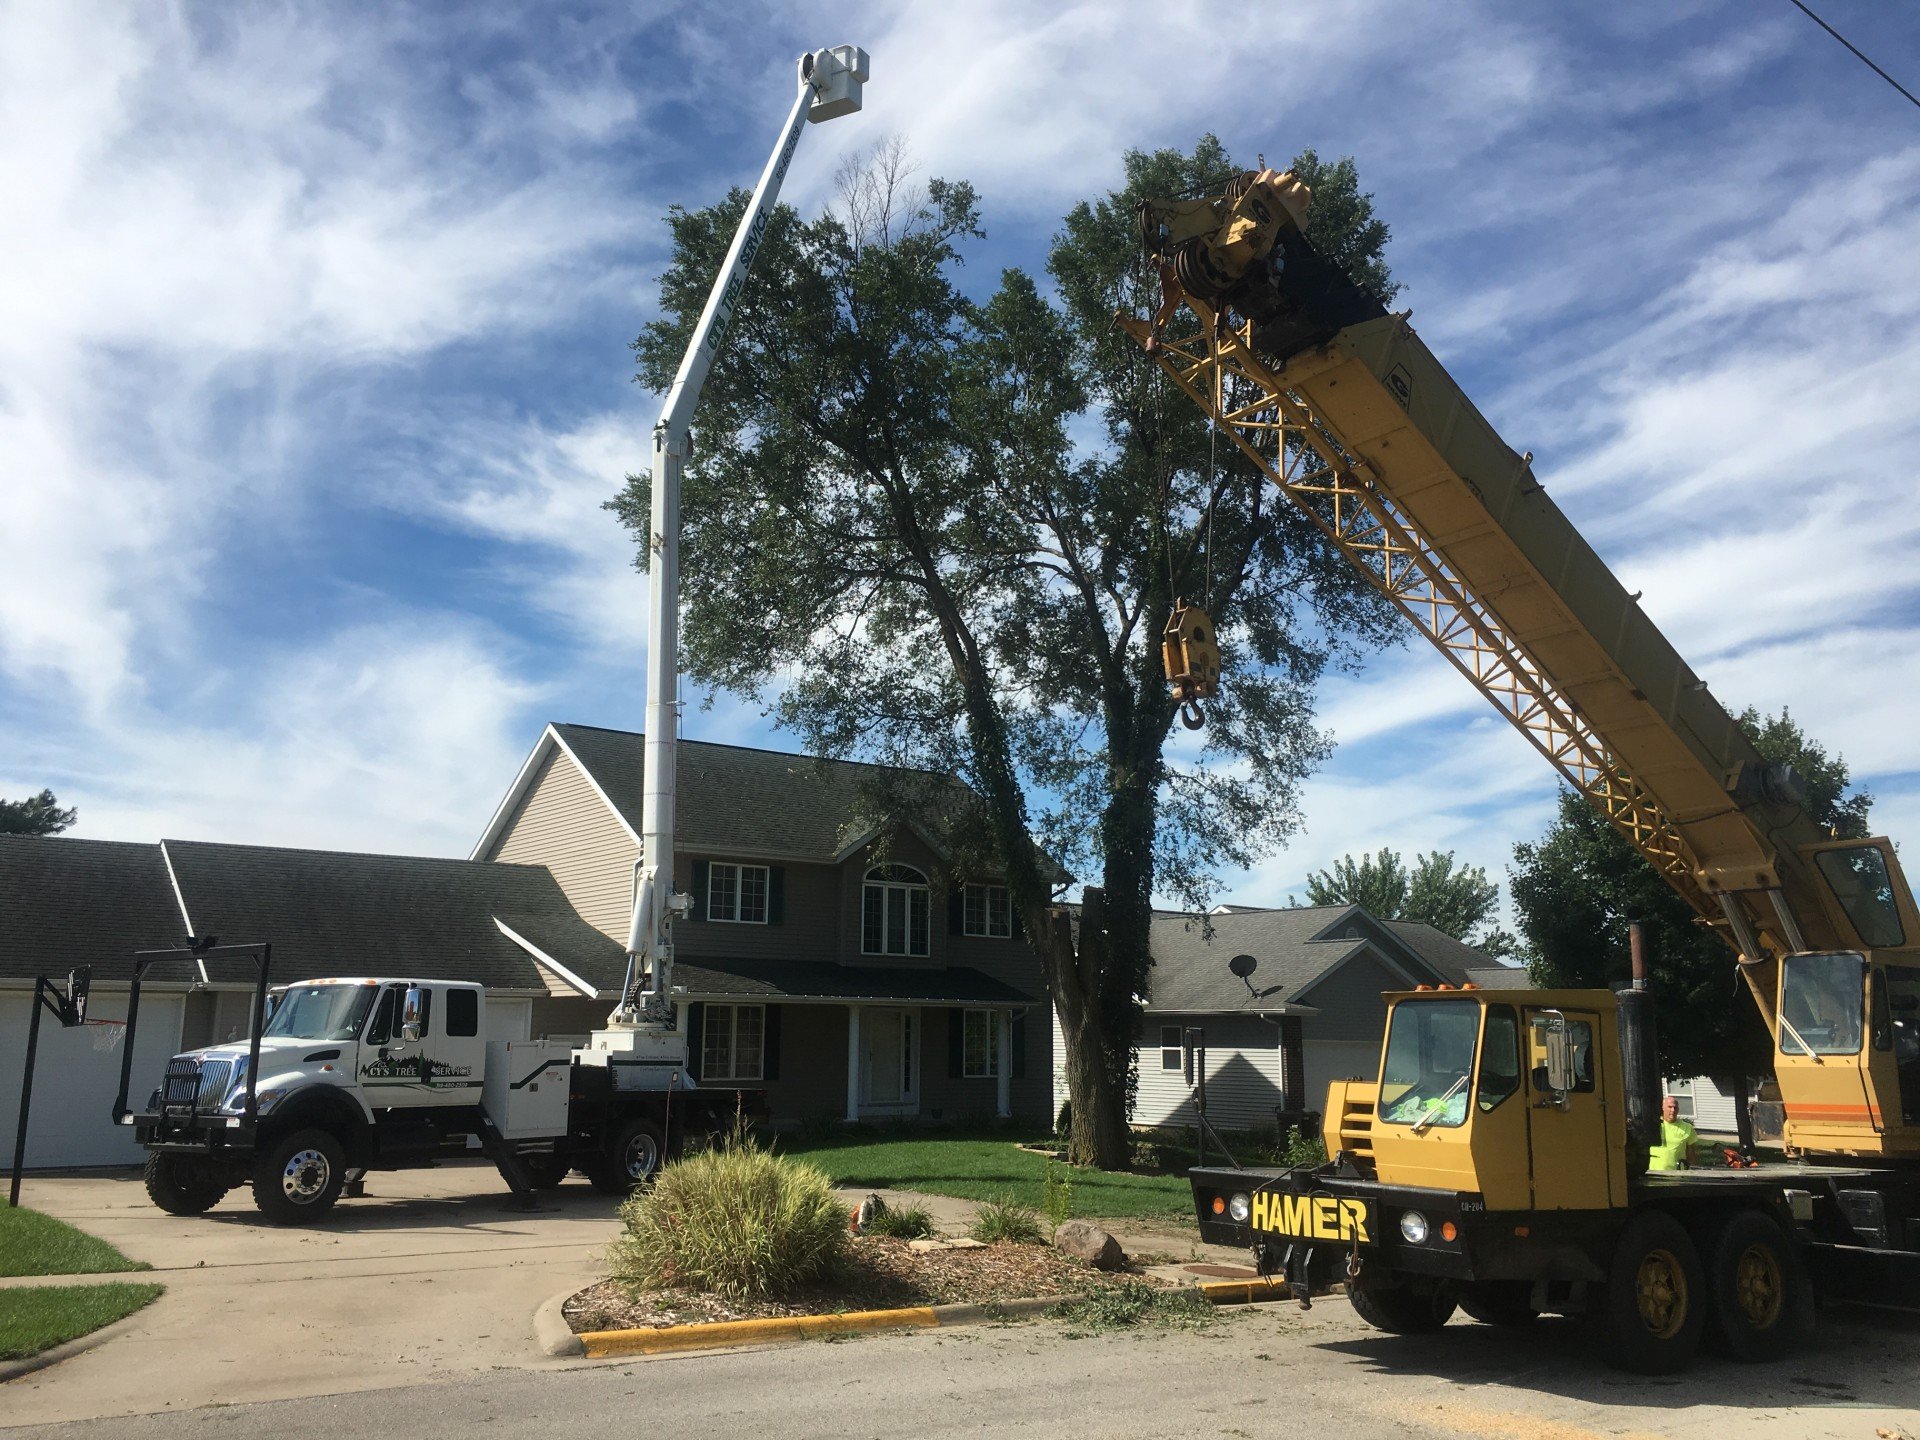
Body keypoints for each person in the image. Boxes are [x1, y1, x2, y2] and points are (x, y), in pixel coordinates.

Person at [1647, 1094, 1710, 1171]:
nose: (1673, 1110)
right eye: (1670, 1107)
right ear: (1663, 1107)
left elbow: (1691, 1157)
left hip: (1677, 1173)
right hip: (1654, 1172)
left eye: (1675, 1107)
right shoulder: (1653, 1125)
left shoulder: (1687, 1128)